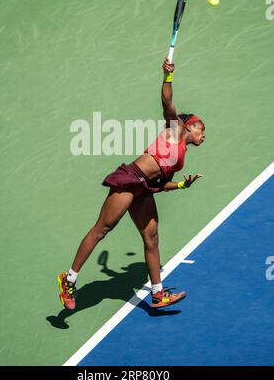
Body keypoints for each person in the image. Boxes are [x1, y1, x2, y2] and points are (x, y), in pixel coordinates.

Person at [58, 58, 205, 310]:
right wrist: (167, 76)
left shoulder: (181, 153)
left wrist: (181, 186)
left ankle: (158, 295)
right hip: (131, 180)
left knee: (152, 238)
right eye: (203, 130)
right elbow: (167, 101)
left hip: (145, 190)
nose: (205, 136)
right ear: (189, 125)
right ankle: (68, 280)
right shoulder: (174, 130)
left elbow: (161, 184)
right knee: (101, 231)